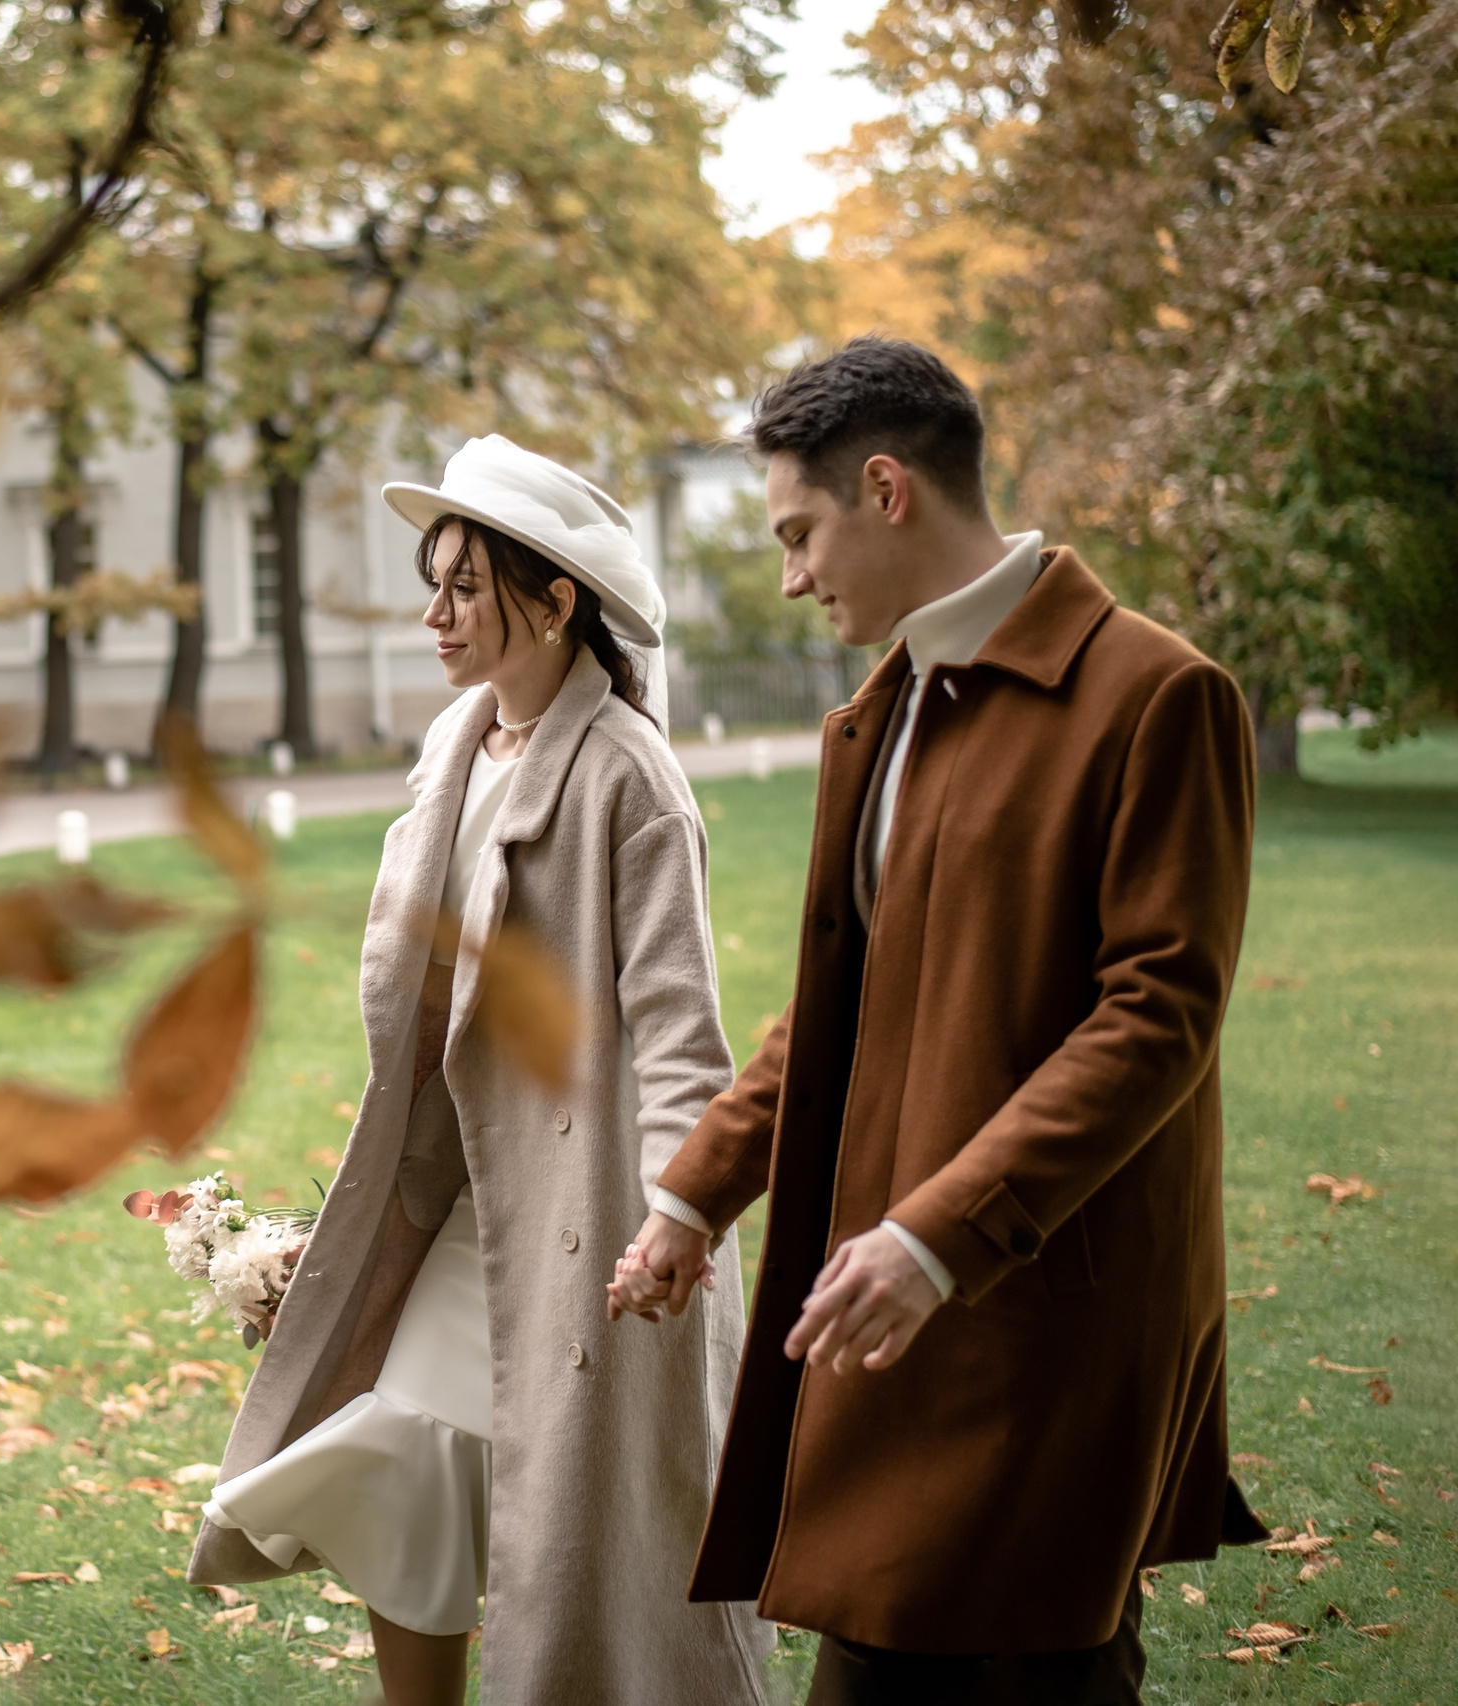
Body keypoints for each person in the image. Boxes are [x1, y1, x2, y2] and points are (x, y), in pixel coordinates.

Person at [609, 336, 1268, 1704]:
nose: (792, 576)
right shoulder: (881, 712)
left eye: (800, 533)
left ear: (889, 489)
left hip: (1045, 1312)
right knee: (874, 1654)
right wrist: (694, 1195)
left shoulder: (1159, 695)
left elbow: (1158, 1016)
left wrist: (934, 1236)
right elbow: (838, 1002)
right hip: (887, 1298)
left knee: (1040, 1666)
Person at [186, 435, 773, 1706]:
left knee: (543, 1520)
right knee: (406, 1464)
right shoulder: (453, 750)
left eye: (465, 585)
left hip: (589, 1223)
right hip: (458, 1198)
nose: (433, 612)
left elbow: (682, 1032)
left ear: (556, 599)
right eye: (431, 579)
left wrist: (681, 1210)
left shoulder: (630, 777)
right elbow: (426, 1030)